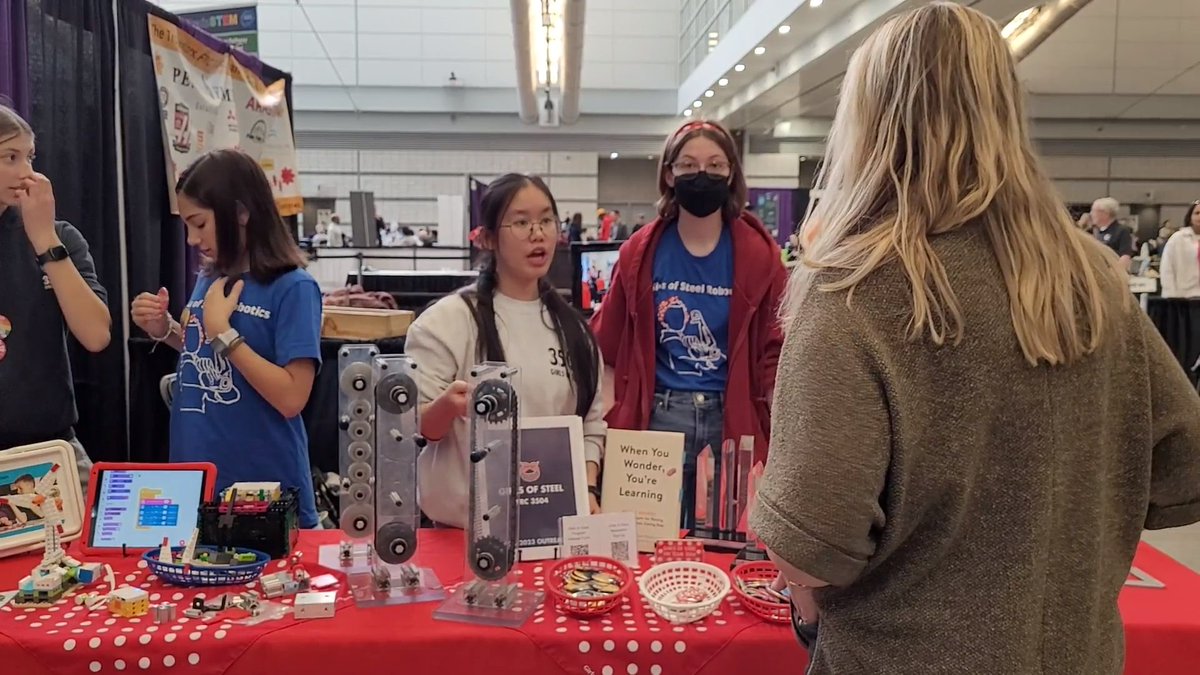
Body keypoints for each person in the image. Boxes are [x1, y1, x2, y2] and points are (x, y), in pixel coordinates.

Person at [749, 5, 1200, 675]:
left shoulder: (855, 289)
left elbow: (812, 544)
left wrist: (769, 501)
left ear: (867, 120)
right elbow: (1180, 472)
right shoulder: (1094, 283)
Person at [590, 119, 787, 529]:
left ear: (732, 173)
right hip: (658, 419)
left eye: (716, 165)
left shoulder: (761, 257)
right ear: (668, 173)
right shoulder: (639, 254)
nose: (703, 174)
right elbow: (606, 342)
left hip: (733, 421)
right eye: (689, 164)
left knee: (729, 542)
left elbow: (776, 350)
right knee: (649, 541)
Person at [129, 149, 322, 529]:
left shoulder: (293, 288)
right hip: (195, 478)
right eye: (186, 225)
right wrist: (164, 329)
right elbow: (201, 348)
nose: (191, 238)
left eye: (199, 224)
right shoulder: (210, 276)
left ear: (241, 214)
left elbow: (291, 398)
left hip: (263, 486)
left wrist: (225, 334)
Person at [406, 174, 606, 528]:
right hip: (460, 531)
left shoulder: (575, 331)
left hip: (551, 527)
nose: (537, 232)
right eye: (521, 222)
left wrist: (587, 490)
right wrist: (448, 406)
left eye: (546, 219)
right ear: (488, 238)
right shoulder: (447, 322)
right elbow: (415, 426)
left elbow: (589, 426)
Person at [0, 104, 110, 490]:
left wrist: (45, 239)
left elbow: (96, 335)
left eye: (29, 157)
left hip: (49, 450)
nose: (27, 172)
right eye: (10, 157)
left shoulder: (60, 237)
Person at [1159, 202, 1200, 297]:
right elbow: (1167, 267)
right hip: (1183, 296)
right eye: (1197, 213)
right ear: (1190, 216)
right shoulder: (1177, 238)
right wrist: (1170, 294)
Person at [1091, 197, 1135, 269]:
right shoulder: (1098, 232)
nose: (1091, 214)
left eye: (1094, 211)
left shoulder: (1122, 231)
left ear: (1105, 213)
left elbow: (1125, 256)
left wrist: (1115, 274)